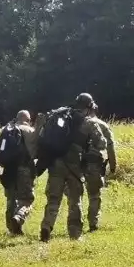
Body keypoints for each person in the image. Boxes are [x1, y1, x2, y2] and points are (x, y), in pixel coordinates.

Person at [39, 93, 106, 242]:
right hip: (74, 166)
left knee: (54, 198)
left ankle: (46, 226)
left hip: (55, 164)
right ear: (89, 107)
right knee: (75, 199)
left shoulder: (61, 116)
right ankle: (75, 233)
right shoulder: (88, 122)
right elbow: (102, 143)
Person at [0, 110, 38, 235]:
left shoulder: (5, 130)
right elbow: (36, 152)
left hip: (8, 170)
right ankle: (19, 216)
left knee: (11, 199)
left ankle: (13, 229)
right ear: (28, 120)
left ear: (16, 118)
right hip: (24, 169)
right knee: (27, 199)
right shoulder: (30, 131)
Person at [83, 104, 117, 232]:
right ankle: (93, 223)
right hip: (95, 165)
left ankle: (76, 222)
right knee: (94, 195)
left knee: (76, 196)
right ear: (94, 109)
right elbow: (110, 147)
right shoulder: (102, 125)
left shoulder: (77, 124)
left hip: (76, 166)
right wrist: (113, 166)